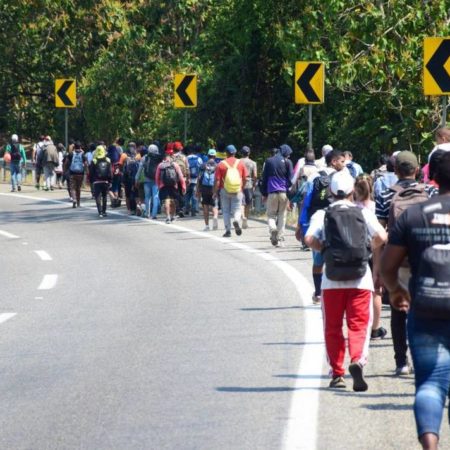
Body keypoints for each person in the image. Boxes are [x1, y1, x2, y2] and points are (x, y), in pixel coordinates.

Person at [380, 152, 450, 450]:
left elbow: (387, 266)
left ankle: (430, 446)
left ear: (431, 176)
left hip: (426, 307)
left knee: (431, 382)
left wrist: (396, 290)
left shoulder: (413, 215)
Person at [305, 170, 387, 391]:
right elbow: (382, 236)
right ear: (352, 191)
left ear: (331, 191)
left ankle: (337, 374)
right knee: (359, 324)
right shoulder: (363, 213)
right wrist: (366, 248)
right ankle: (357, 360)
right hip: (360, 279)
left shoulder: (322, 214)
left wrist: (326, 249)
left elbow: (309, 238)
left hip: (331, 281)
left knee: (332, 327)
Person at [375, 150, 438, 376]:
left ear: (396, 170)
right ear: (417, 169)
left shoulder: (384, 195)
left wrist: (379, 270)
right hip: (427, 260)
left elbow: (380, 235)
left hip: (398, 261)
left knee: (398, 312)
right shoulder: (430, 191)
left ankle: (401, 362)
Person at [298, 149, 346, 304]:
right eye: (342, 161)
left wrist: (301, 224)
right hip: (338, 220)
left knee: (318, 260)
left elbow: (306, 201)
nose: (344, 164)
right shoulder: (343, 177)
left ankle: (318, 293)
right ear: (334, 161)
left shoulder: (314, 177)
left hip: (317, 220)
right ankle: (338, 292)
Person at [354, 174, 387, 340]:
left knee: (355, 290)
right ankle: (375, 328)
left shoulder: (352, 208)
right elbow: (382, 234)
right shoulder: (376, 207)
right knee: (376, 291)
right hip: (376, 252)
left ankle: (357, 326)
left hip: (356, 252)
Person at [260, 144, 294, 247]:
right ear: (285, 152)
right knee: (282, 215)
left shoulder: (269, 161)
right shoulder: (288, 162)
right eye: (288, 154)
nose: (288, 156)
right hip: (283, 192)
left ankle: (272, 229)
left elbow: (264, 178)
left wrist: (264, 193)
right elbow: (290, 180)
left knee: (271, 215)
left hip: (272, 192)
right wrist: (290, 196)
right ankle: (279, 237)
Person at [213, 144, 248, 237]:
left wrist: (215, 192)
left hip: (224, 190)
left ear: (226, 153)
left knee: (226, 211)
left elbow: (217, 180)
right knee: (237, 209)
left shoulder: (221, 164)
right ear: (235, 152)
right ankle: (236, 220)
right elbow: (245, 178)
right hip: (237, 189)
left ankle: (228, 230)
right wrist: (242, 187)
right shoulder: (240, 163)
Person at [155, 146, 186, 223]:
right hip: (173, 185)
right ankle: (173, 216)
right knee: (173, 201)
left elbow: (157, 177)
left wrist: (158, 186)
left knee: (166, 201)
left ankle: (168, 217)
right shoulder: (175, 164)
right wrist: (183, 186)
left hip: (163, 186)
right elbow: (181, 176)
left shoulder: (160, 165)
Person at [136, 143, 162, 219]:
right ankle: (154, 214)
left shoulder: (144, 158)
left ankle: (147, 213)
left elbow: (139, 170)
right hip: (156, 180)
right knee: (155, 196)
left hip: (146, 180)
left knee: (147, 197)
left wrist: (136, 179)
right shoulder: (159, 158)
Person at [197, 149, 219, 231]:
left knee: (205, 205)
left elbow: (199, 178)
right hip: (213, 187)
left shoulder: (203, 165)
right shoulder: (217, 166)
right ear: (215, 156)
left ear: (208, 155)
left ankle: (207, 226)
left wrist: (197, 190)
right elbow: (218, 179)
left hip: (204, 188)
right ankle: (215, 217)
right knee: (214, 205)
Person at [90, 145, 112, 218]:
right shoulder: (108, 160)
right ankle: (104, 211)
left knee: (98, 197)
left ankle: (100, 212)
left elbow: (91, 173)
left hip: (97, 182)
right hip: (105, 181)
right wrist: (110, 181)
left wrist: (91, 181)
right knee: (105, 196)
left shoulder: (94, 160)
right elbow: (110, 172)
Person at [64, 141, 87, 208]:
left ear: (74, 147)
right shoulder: (83, 154)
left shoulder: (71, 154)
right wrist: (86, 171)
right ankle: (78, 203)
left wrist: (65, 170)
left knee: (72, 188)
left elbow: (66, 163)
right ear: (80, 147)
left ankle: (74, 199)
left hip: (72, 173)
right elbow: (85, 164)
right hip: (80, 173)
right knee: (78, 188)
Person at [240, 146, 257, 229]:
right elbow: (255, 175)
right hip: (248, 183)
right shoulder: (253, 163)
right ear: (249, 153)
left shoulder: (238, 162)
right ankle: (245, 218)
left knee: (241, 202)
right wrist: (254, 184)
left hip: (239, 184)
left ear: (241, 153)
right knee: (248, 202)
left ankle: (242, 216)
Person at [185, 145, 203, 216]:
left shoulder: (186, 158)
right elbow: (201, 170)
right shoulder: (199, 159)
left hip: (187, 180)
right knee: (194, 195)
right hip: (196, 180)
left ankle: (186, 209)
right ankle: (193, 210)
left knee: (187, 195)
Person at [172, 141, 189, 217]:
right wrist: (188, 178)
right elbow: (187, 168)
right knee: (182, 193)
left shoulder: (171, 157)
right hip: (183, 178)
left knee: (175, 193)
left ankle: (177, 209)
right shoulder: (184, 157)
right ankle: (181, 209)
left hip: (174, 178)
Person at [122, 142, 139, 215]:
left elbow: (121, 166)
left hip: (128, 178)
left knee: (128, 195)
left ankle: (130, 209)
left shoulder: (124, 155)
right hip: (137, 178)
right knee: (137, 194)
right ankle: (137, 208)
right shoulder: (138, 155)